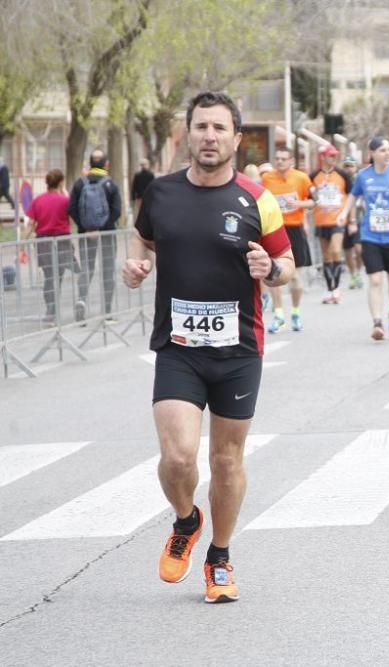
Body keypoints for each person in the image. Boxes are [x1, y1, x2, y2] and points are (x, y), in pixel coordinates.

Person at [122, 91, 294, 603]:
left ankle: (219, 557)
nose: (210, 137)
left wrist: (272, 271)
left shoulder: (257, 198)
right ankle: (186, 520)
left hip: (239, 349)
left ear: (237, 139)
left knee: (225, 461)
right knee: (177, 457)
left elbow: (287, 266)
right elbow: (142, 239)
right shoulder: (160, 193)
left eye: (220, 128)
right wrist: (135, 266)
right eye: (201, 127)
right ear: (188, 134)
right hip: (178, 347)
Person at [336, 136, 389, 340]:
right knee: (375, 279)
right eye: (382, 150)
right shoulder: (364, 176)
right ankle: (377, 322)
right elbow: (354, 195)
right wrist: (345, 213)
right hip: (370, 235)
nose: (388, 153)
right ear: (372, 154)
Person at [261, 145, 314, 332]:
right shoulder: (266, 178)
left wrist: (298, 203)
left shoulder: (301, 178)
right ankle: (278, 315)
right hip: (274, 229)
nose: (280, 161)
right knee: (274, 273)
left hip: (295, 229)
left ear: (291, 161)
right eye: (278, 158)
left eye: (284, 158)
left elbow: (313, 201)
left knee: (295, 276)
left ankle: (296, 312)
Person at [68, 149, 122, 324]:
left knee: (87, 269)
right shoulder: (110, 184)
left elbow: (72, 209)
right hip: (107, 235)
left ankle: (82, 301)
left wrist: (86, 228)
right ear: (106, 164)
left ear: (90, 163)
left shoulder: (79, 184)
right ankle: (107, 313)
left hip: (85, 235)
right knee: (107, 271)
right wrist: (102, 228)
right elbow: (116, 211)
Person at [25, 169, 76, 324]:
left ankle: (50, 311)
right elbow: (72, 219)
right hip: (62, 241)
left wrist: (22, 245)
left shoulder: (38, 200)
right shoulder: (65, 201)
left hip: (44, 242)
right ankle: (53, 310)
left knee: (49, 277)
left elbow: (31, 224)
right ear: (61, 182)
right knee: (58, 277)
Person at [310, 144, 352, 304]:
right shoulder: (313, 176)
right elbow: (309, 195)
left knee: (336, 251)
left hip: (338, 219)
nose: (333, 159)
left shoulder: (342, 175)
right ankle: (330, 290)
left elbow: (350, 196)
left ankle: (337, 289)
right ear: (322, 157)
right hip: (321, 220)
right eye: (330, 156)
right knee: (326, 256)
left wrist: (351, 218)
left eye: (335, 156)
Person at [340, 156, 364, 289]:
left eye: (351, 166)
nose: (348, 169)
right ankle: (353, 274)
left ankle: (358, 271)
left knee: (360, 250)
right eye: (346, 166)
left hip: (359, 219)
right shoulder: (341, 180)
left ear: (356, 167)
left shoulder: (360, 179)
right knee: (348, 250)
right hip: (343, 219)